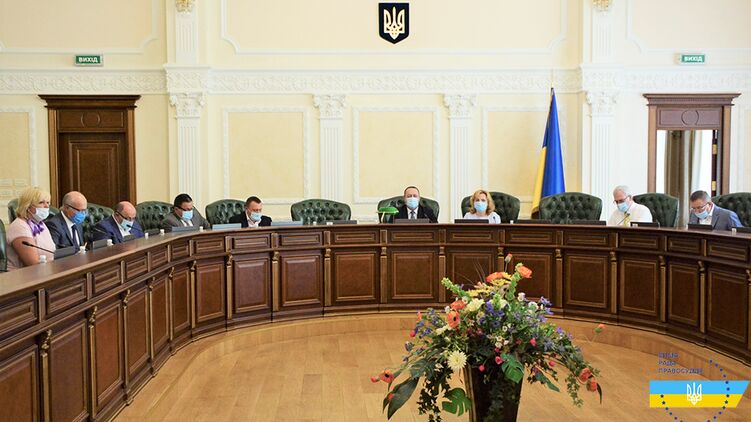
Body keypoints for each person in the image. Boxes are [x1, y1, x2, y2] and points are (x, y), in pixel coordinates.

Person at [5, 187, 56, 270]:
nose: (46, 206)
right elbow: (33, 263)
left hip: (45, 271)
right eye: (41, 202)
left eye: (48, 202)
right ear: (27, 206)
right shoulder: (19, 227)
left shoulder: (41, 224)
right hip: (23, 275)